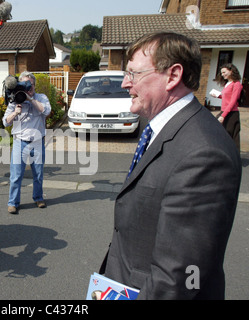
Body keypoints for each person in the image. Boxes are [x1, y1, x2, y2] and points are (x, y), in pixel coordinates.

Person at [100, 31, 242, 299]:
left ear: (173, 76)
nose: (124, 84)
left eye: (133, 73)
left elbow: (179, 279)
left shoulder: (205, 155)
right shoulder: (157, 125)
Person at [2, 71, 51, 214]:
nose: (29, 87)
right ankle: (13, 202)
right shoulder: (14, 100)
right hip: (19, 142)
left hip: (37, 142)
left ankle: (38, 197)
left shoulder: (41, 98)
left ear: (34, 85)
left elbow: (46, 111)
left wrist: (30, 99)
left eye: (31, 84)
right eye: (25, 85)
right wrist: (15, 112)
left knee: (38, 174)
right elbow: (5, 122)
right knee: (16, 175)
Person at [211, 63, 243, 151]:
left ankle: (233, 158)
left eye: (224, 72)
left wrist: (223, 115)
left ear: (231, 71)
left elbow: (233, 101)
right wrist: (218, 96)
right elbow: (227, 98)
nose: (222, 74)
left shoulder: (236, 84)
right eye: (221, 73)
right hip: (225, 111)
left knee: (230, 136)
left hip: (231, 113)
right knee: (219, 132)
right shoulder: (228, 84)